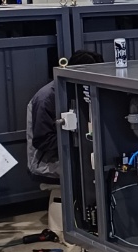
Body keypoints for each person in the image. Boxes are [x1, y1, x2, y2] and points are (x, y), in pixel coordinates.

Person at [28, 49, 102, 234]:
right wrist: (80, 141)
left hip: (75, 150)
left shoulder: (81, 90)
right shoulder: (47, 97)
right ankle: (83, 225)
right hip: (47, 160)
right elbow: (42, 140)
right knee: (91, 170)